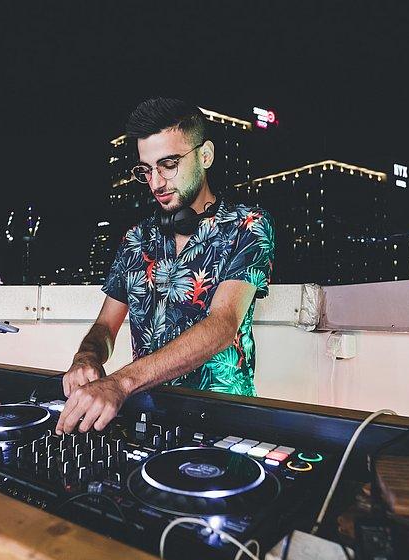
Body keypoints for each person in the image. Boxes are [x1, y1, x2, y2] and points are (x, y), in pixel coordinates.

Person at [55, 98, 275, 435]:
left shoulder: (248, 226)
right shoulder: (136, 238)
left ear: (205, 156)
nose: (156, 182)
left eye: (168, 165)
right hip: (149, 421)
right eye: (146, 170)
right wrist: (87, 356)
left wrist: (120, 383)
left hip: (224, 425)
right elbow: (105, 326)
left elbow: (222, 324)